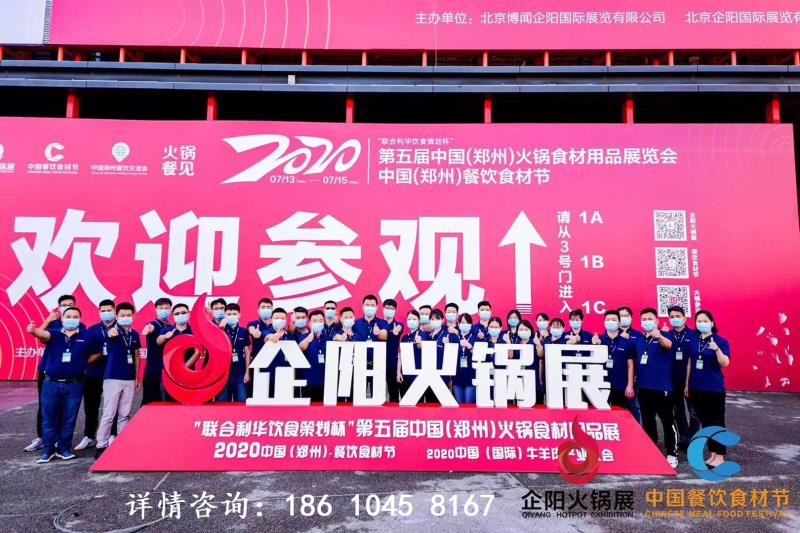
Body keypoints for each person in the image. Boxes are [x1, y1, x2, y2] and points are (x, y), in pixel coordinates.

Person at [26, 306, 96, 462]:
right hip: (51, 384)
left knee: (69, 419)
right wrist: (33, 330)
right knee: (48, 418)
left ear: (80, 319)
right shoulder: (55, 333)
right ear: (62, 319)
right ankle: (48, 451)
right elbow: (42, 334)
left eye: (75, 317)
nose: (71, 319)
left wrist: (82, 364)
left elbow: (97, 351)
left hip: (75, 385)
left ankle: (64, 449)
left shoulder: (87, 336)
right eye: (68, 316)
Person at [95, 302, 141, 458]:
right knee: (109, 414)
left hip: (129, 378)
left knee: (124, 414)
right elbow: (109, 334)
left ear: (133, 316)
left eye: (128, 315)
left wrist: (137, 376)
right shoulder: (112, 331)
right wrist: (110, 332)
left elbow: (136, 355)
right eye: (122, 315)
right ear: (116, 316)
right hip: (112, 378)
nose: (125, 317)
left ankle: (122, 444)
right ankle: (101, 445)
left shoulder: (135, 334)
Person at [686, 310, 731, 468]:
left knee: (716, 422)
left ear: (712, 323)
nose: (702, 323)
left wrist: (717, 349)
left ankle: (720, 455)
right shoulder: (695, 341)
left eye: (705, 321)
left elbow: (725, 363)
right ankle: (712, 454)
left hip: (713, 389)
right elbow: (690, 363)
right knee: (706, 423)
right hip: (696, 388)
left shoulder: (720, 341)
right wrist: (687, 384)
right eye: (699, 321)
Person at [636, 307, 678, 468]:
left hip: (662, 388)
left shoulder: (665, 335)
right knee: (648, 421)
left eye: (650, 319)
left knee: (668, 421)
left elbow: (668, 345)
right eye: (644, 319)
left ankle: (672, 453)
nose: (647, 322)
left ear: (657, 321)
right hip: (643, 387)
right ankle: (651, 449)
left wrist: (659, 336)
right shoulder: (640, 339)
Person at [74, 299, 117, 451]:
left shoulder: (121, 328)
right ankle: (89, 436)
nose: (106, 313)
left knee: (113, 407)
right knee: (91, 406)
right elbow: (85, 353)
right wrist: (98, 354)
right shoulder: (92, 330)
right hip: (93, 373)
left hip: (114, 374)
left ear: (115, 311)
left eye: (109, 310)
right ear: (99, 312)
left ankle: (113, 434)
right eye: (103, 311)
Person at [668, 305, 700, 449]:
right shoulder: (667, 335)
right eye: (672, 317)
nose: (675, 319)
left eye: (678, 316)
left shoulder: (694, 335)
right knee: (677, 410)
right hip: (672, 379)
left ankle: (691, 436)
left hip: (691, 380)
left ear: (684, 318)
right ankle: (683, 436)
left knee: (694, 411)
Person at [593, 310, 636, 409]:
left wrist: (630, 385)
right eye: (607, 320)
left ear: (619, 323)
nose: (610, 322)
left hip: (620, 385)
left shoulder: (627, 342)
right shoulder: (599, 340)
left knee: (620, 413)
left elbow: (630, 365)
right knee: (602, 414)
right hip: (602, 385)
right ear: (604, 322)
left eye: (613, 319)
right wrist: (595, 345)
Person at [140, 297, 173, 405]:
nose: (164, 310)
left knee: (165, 402)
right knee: (150, 401)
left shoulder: (171, 327)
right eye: (161, 308)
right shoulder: (152, 325)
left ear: (170, 310)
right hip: (153, 370)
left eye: (166, 308)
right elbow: (146, 330)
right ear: (156, 310)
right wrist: (147, 329)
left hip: (167, 370)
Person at [215, 303, 251, 402]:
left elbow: (247, 352)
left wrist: (247, 372)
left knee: (242, 401)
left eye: (234, 314)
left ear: (239, 315)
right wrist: (220, 329)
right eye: (229, 314)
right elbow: (214, 347)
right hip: (223, 373)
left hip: (240, 372)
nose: (232, 316)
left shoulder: (243, 331)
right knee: (221, 402)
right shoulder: (219, 330)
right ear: (225, 315)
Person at [297, 310, 334, 402]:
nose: (318, 323)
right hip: (308, 382)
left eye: (320, 320)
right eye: (314, 321)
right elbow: (299, 348)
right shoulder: (302, 337)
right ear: (309, 323)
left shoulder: (328, 338)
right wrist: (308, 339)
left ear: (324, 322)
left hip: (326, 382)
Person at [618, 305, 644, 423]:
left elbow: (641, 355)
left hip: (634, 378)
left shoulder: (638, 336)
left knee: (635, 408)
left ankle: (638, 431)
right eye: (621, 316)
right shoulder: (612, 334)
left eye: (626, 316)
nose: (624, 318)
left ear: (631, 318)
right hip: (616, 378)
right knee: (617, 410)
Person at [512, 319, 543, 405]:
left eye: (526, 329)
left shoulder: (534, 342)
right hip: (519, 382)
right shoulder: (516, 344)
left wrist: (538, 345)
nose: (523, 331)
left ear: (531, 331)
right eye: (521, 329)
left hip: (533, 382)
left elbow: (540, 355)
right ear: (517, 331)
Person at [452, 313, 478, 404]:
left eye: (467, 322)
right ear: (458, 324)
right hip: (457, 377)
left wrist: (469, 346)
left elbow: (480, 356)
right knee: (459, 405)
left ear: (471, 325)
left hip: (471, 377)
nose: (464, 325)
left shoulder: (475, 338)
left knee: (469, 405)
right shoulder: (453, 338)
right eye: (462, 322)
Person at [383, 299, 404, 402]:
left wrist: (398, 329)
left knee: (393, 394)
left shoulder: (398, 325)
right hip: (378, 363)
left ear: (395, 310)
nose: (388, 310)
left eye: (391, 308)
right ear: (383, 309)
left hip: (392, 364)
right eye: (387, 308)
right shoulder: (379, 323)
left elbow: (401, 327)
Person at [398, 310, 422, 398]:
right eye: (409, 319)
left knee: (417, 402)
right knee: (405, 401)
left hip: (418, 376)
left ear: (419, 320)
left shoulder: (423, 335)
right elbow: (400, 355)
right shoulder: (404, 337)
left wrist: (419, 343)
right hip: (404, 375)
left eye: (414, 319)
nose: (411, 321)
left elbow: (424, 349)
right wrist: (398, 372)